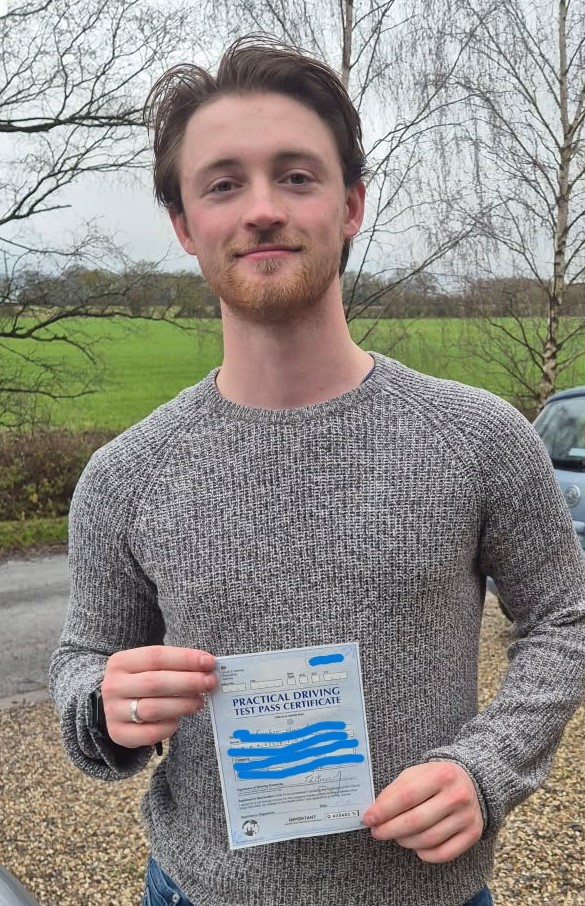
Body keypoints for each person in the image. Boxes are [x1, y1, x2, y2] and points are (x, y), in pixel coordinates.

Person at [49, 37, 585, 906]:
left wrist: (488, 769)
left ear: (351, 205)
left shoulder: (477, 438)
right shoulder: (125, 478)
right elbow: (83, 658)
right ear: (186, 225)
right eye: (223, 183)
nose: (262, 208)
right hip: (196, 890)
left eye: (296, 176)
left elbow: (566, 616)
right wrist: (103, 704)